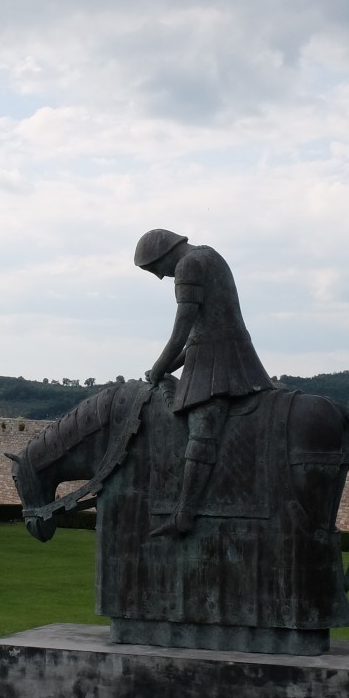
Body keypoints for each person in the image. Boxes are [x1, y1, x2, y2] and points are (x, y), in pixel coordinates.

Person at [135, 228, 275, 535]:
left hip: (219, 361)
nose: (159, 277)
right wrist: (162, 369)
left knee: (202, 434)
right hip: (215, 352)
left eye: (154, 269)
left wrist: (159, 367)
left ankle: (184, 514)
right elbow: (198, 336)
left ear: (163, 254)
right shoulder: (209, 254)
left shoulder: (188, 265)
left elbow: (182, 331)